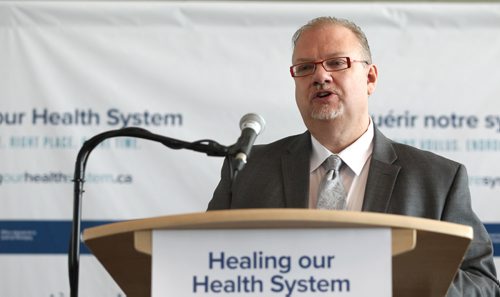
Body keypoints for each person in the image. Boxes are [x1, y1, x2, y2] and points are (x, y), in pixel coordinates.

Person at [207, 16, 500, 296]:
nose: (320, 76)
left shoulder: (438, 179)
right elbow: (205, 264)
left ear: (370, 78)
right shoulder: (247, 169)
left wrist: (404, 277)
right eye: (305, 67)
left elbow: (483, 286)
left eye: (336, 63)